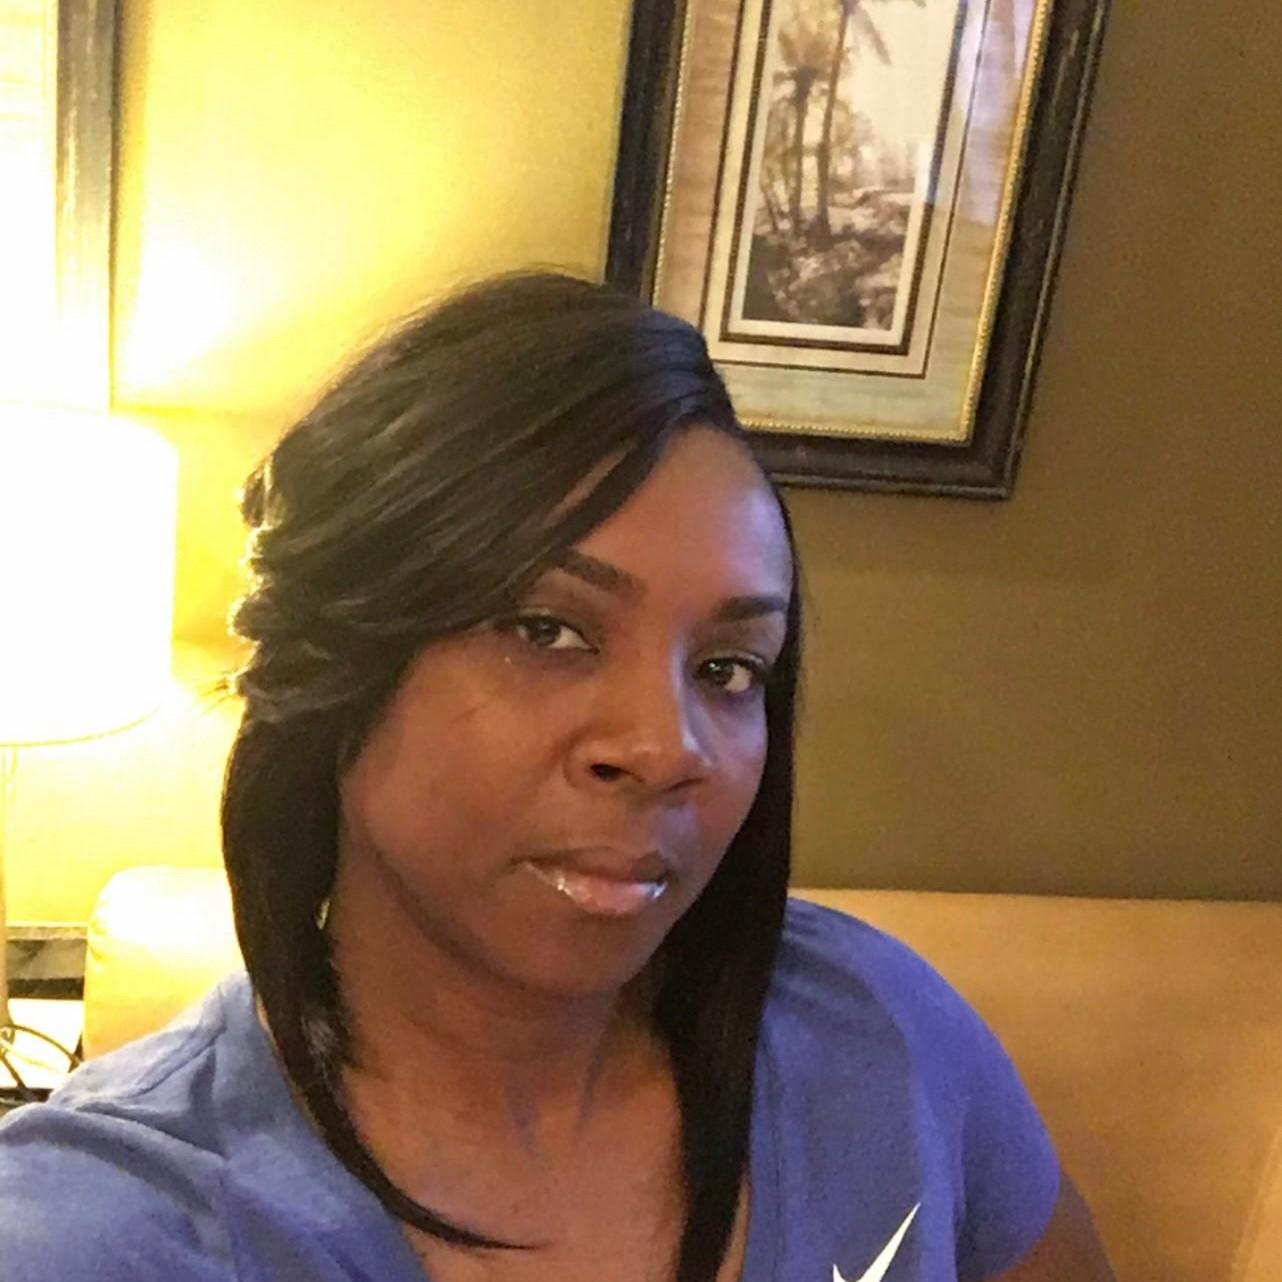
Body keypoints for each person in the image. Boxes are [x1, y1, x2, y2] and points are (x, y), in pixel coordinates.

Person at [0, 273, 1114, 1281]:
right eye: (546, 630)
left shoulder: (881, 1035)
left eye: (728, 669)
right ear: (336, 665)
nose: (667, 747)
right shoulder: (101, 1231)